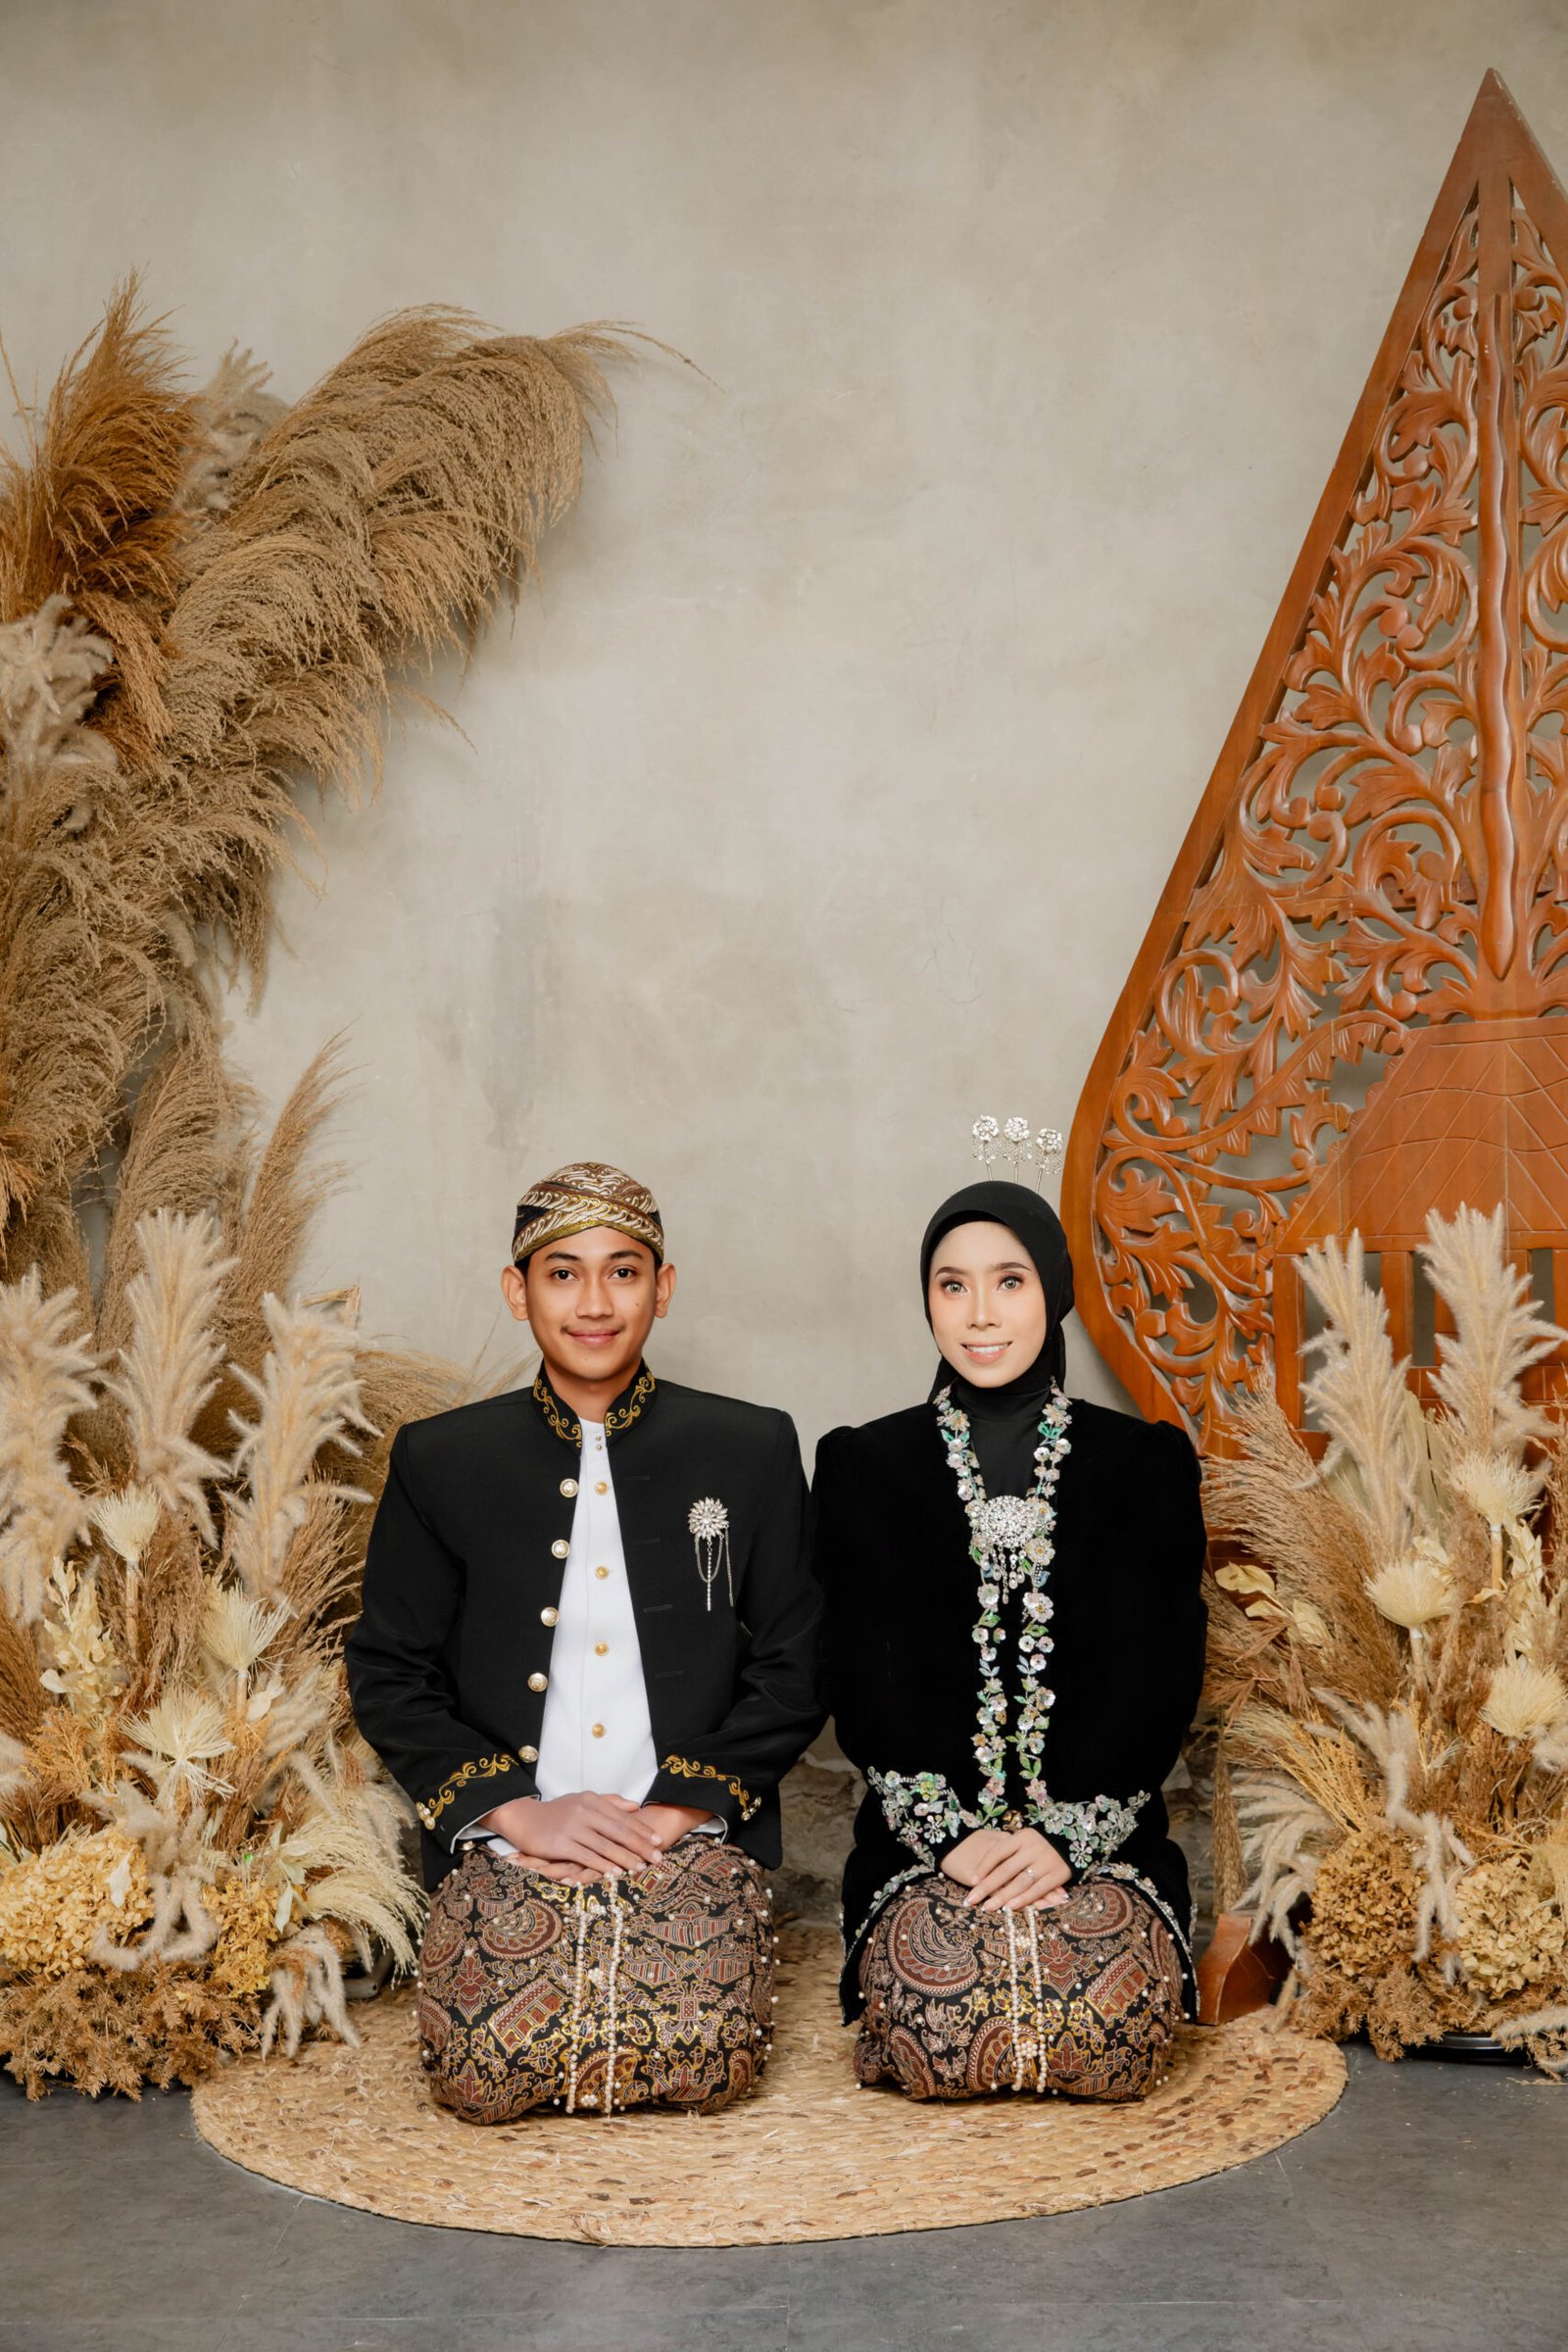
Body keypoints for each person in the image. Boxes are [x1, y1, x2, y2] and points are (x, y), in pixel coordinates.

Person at [347, 1161, 823, 2120]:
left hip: (685, 1839)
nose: (594, 1303)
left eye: (624, 1272)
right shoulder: (442, 1460)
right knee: (483, 2072)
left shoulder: (751, 1447)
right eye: (562, 1273)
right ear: (516, 1290)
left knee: (703, 2061)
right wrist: (515, 1814)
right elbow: (389, 1671)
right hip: (509, 1845)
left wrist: (676, 1813)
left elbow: (798, 1661)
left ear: (664, 1287)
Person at [814, 1179, 1207, 2102]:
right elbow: (860, 1677)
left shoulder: (1142, 1464)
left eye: (1010, 1282)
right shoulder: (866, 1467)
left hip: (1103, 1844)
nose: (980, 1314)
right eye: (952, 1286)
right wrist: (951, 1838)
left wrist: (1067, 1840)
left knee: (1108, 2027)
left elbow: (1160, 1675)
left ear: (1054, 1292)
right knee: (937, 2020)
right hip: (925, 1848)